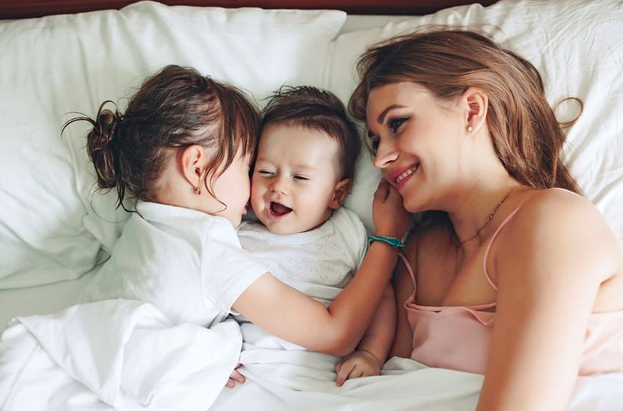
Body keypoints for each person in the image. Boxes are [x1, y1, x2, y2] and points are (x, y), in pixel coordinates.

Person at [65, 65, 410, 386]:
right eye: (252, 167)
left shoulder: (142, 222)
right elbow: (333, 334)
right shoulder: (214, 245)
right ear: (197, 168)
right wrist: (389, 237)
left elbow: (152, 308)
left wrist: (191, 356)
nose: (266, 187)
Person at [348, 29, 623, 411]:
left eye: (397, 123)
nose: (380, 159)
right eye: (376, 142)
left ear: (473, 110)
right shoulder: (416, 252)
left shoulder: (554, 220)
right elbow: (387, 391)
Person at [235, 85, 397, 388]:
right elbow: (206, 304)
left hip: (329, 374)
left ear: (337, 193)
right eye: (266, 171)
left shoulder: (347, 232)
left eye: (301, 177)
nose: (279, 187)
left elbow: (381, 295)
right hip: (255, 368)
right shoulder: (239, 234)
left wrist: (372, 354)